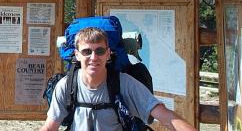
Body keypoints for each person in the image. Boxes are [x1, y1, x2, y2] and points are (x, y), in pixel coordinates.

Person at [39, 27, 196, 131]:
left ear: (108, 54)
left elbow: (165, 116)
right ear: (77, 55)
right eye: (87, 51)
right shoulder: (66, 86)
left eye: (99, 51)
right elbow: (50, 127)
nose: (93, 57)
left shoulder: (124, 84)